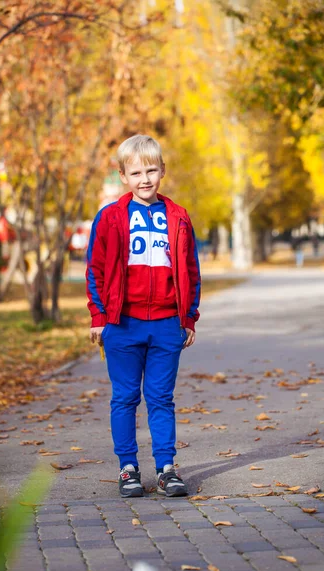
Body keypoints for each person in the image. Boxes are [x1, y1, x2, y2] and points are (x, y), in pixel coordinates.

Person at [86, 134, 201, 498]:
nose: (145, 179)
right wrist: (98, 316)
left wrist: (188, 318)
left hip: (167, 324)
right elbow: (96, 269)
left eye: (152, 170)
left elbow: (191, 270)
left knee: (161, 397)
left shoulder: (179, 217)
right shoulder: (110, 217)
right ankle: (128, 469)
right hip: (123, 324)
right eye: (136, 172)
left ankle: (166, 469)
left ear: (163, 170)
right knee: (124, 398)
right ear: (123, 176)